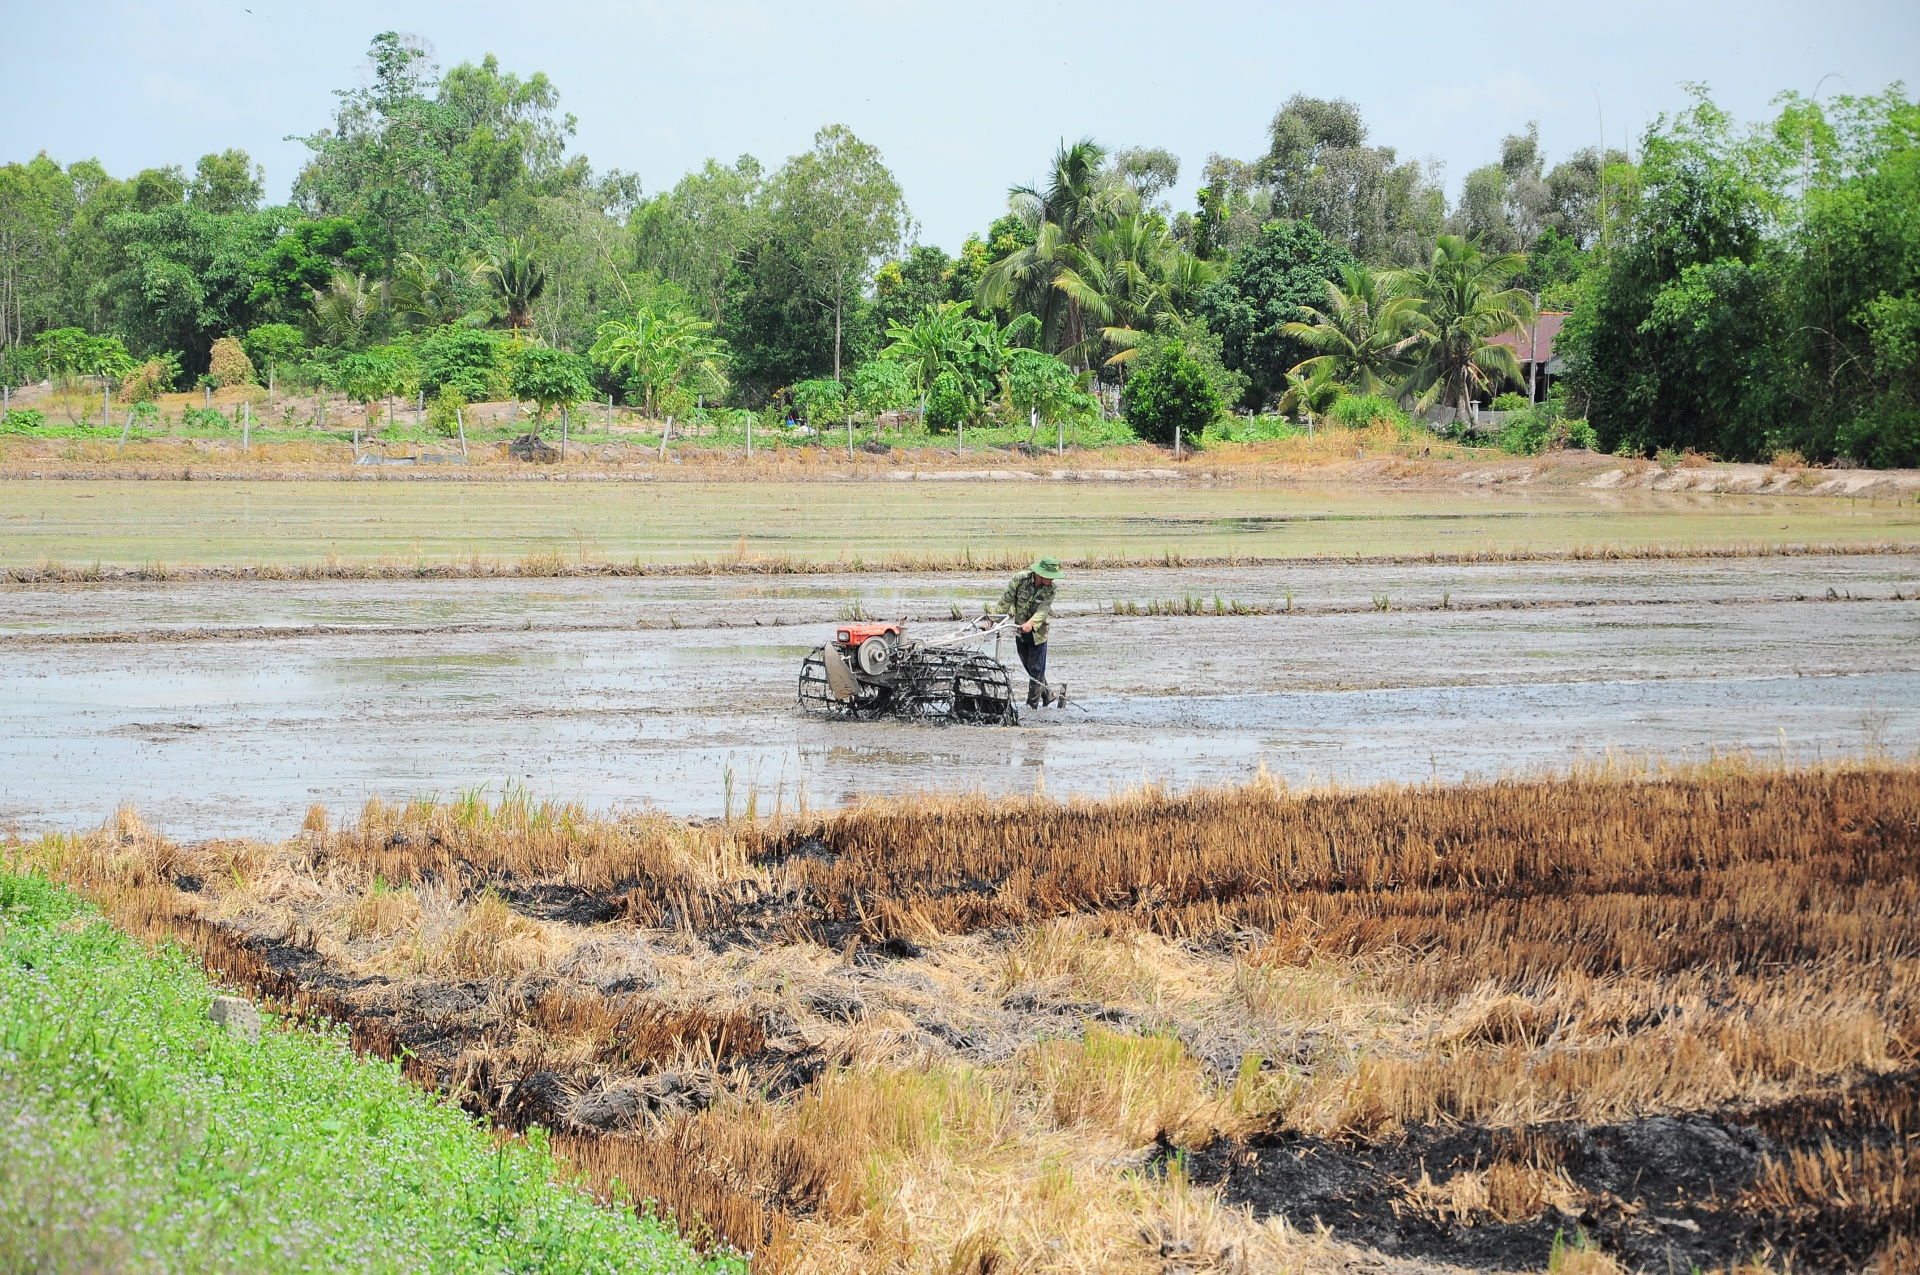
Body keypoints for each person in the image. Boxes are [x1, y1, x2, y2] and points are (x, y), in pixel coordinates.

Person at [998, 557, 1061, 708]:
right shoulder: (1020, 579)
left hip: (1038, 634)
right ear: (1040, 573)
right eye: (1050, 576)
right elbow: (1006, 600)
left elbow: (1043, 610)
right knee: (1029, 667)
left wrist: (1031, 623)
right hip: (1021, 631)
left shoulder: (1051, 589)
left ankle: (1031, 706)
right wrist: (993, 619)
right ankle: (1048, 694)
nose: (1052, 579)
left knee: (1036, 670)